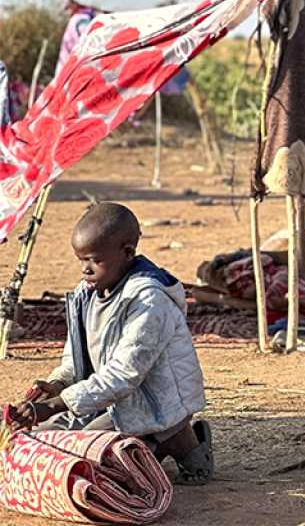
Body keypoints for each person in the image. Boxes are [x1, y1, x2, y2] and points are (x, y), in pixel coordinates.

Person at [8, 203, 213, 485]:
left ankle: (174, 440)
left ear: (127, 252)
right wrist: (56, 385)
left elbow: (124, 374)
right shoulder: (87, 294)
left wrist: (56, 405)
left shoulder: (148, 301)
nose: (85, 270)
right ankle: (164, 443)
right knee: (38, 437)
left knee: (81, 459)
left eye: (93, 260)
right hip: (112, 399)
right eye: (81, 261)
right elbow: (75, 357)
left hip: (152, 402)